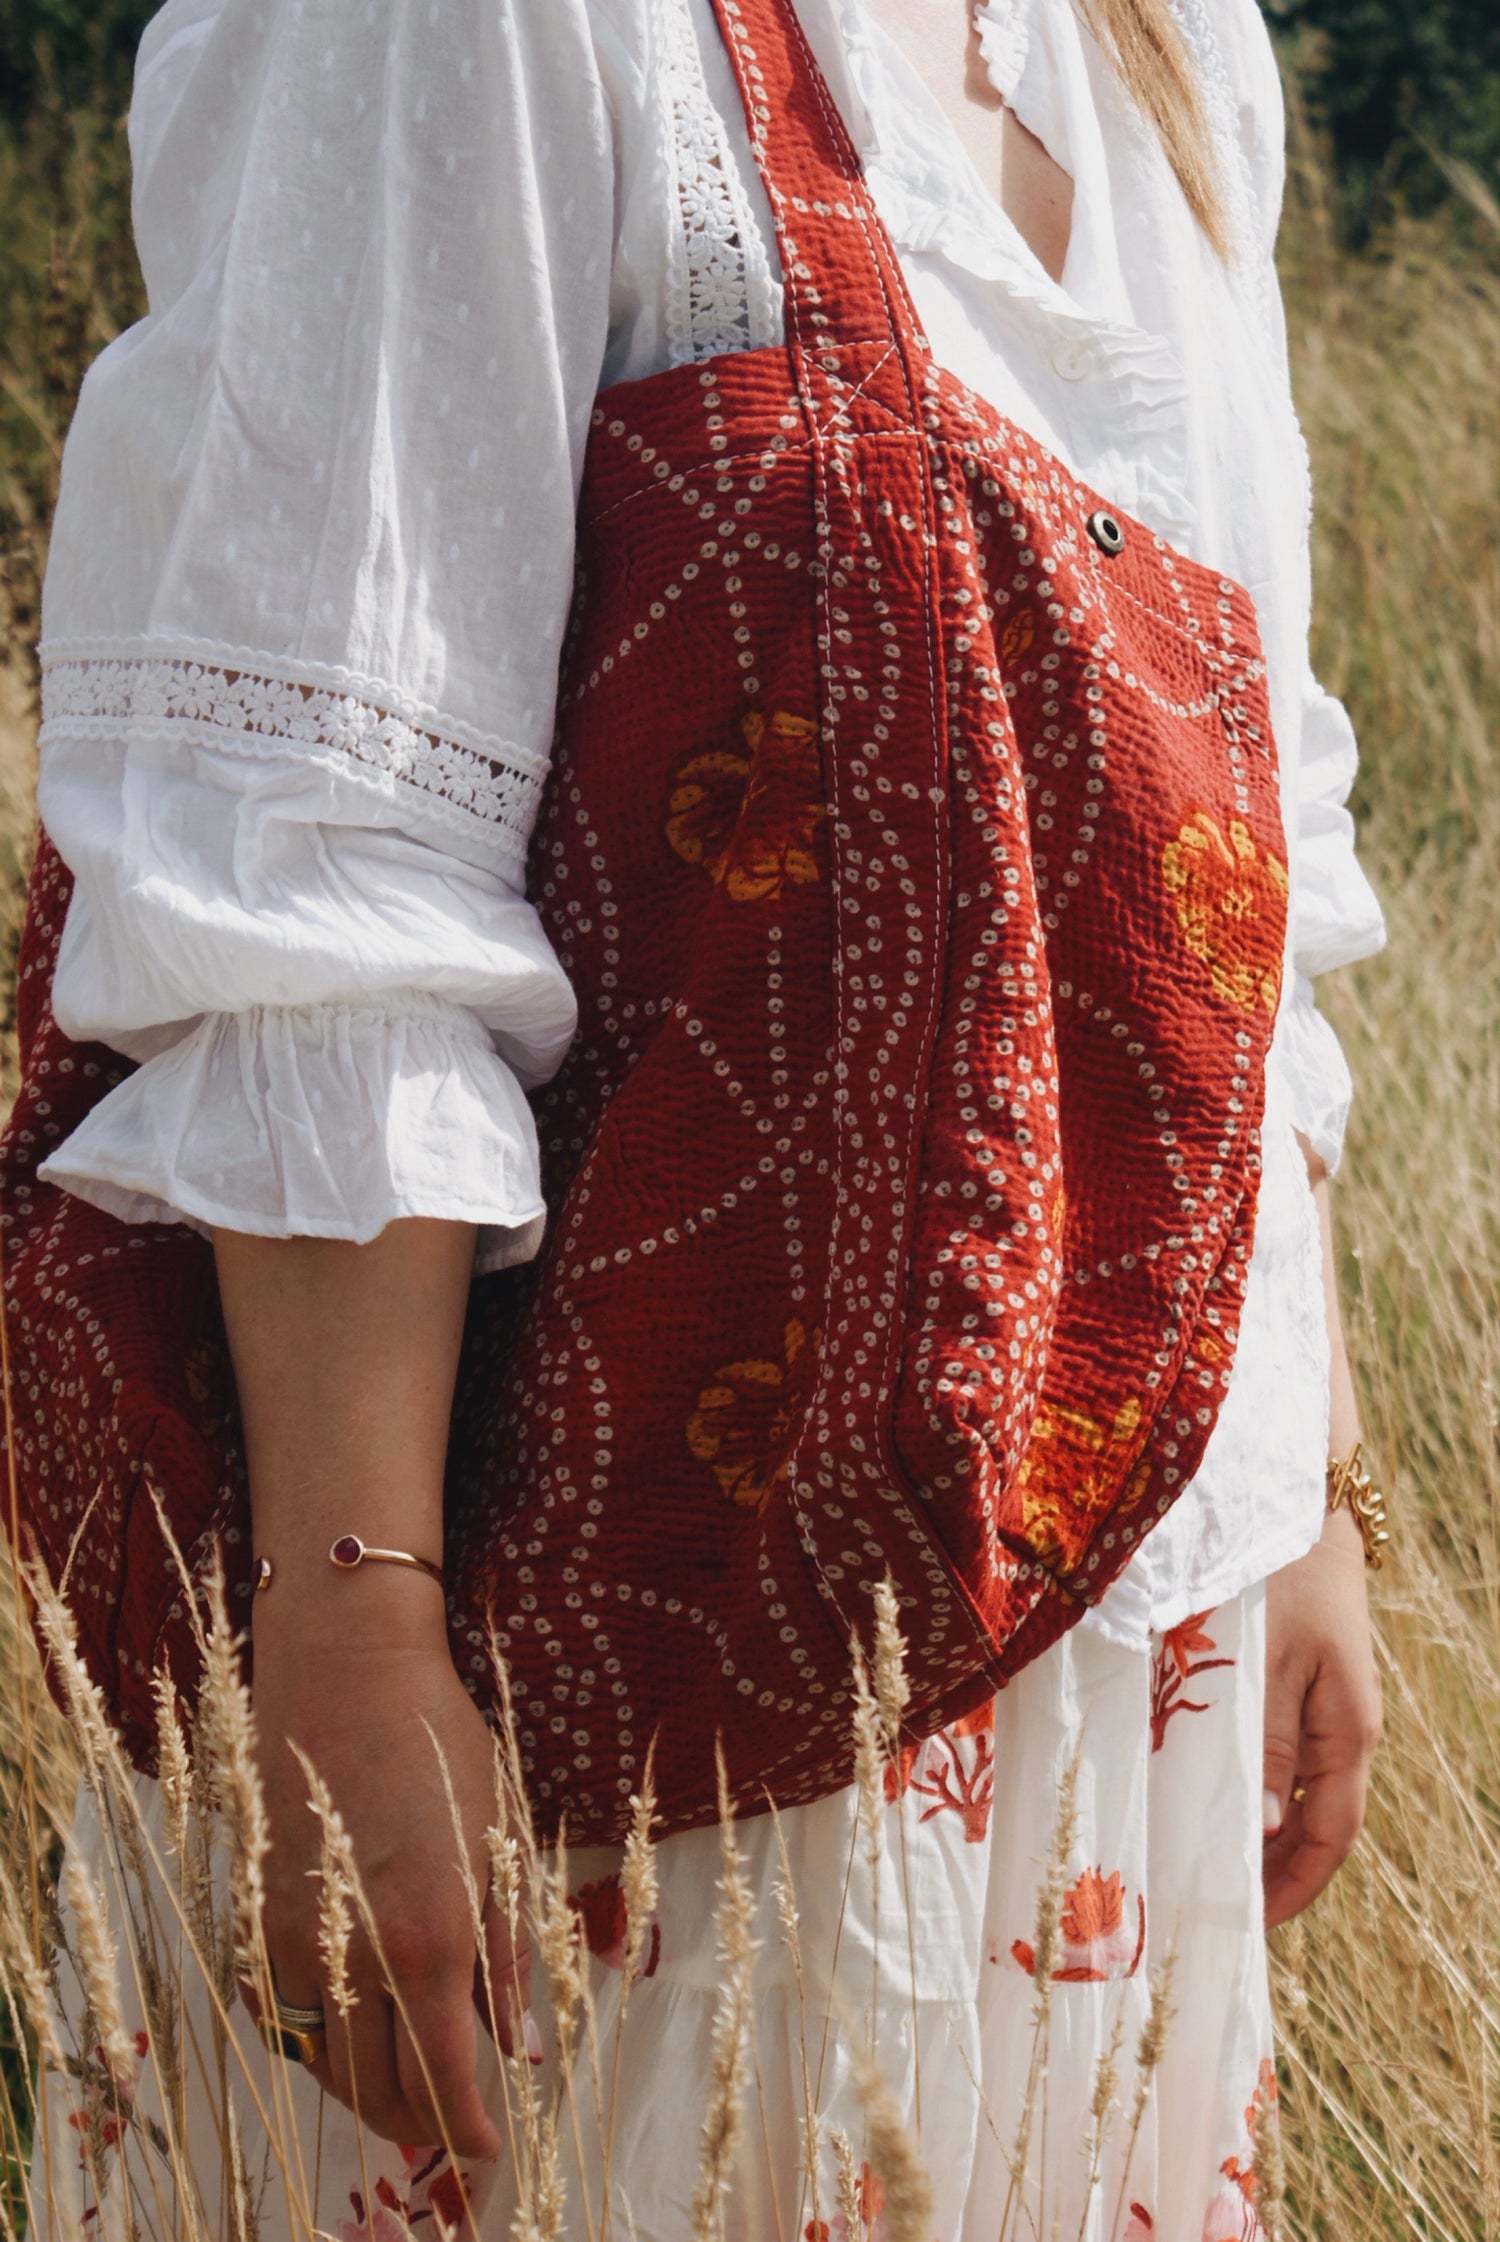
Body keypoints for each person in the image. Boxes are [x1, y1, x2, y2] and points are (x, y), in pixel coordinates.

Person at [24, 0, 1387, 2233]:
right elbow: (319, 856)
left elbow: (1255, 827)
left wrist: (1290, 1479)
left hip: (1130, 1635)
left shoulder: (1167, 45)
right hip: (606, 1683)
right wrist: (351, 1623)